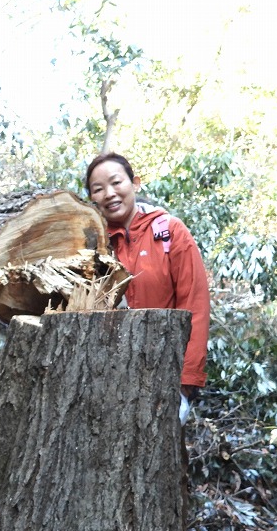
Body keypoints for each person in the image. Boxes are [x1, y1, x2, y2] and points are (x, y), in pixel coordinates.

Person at [85, 152, 211, 414]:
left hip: (165, 373)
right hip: (105, 378)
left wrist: (185, 384)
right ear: (92, 198)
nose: (109, 193)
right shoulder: (91, 245)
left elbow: (195, 305)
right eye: (98, 189)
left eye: (116, 182)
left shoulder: (169, 232)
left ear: (135, 183)